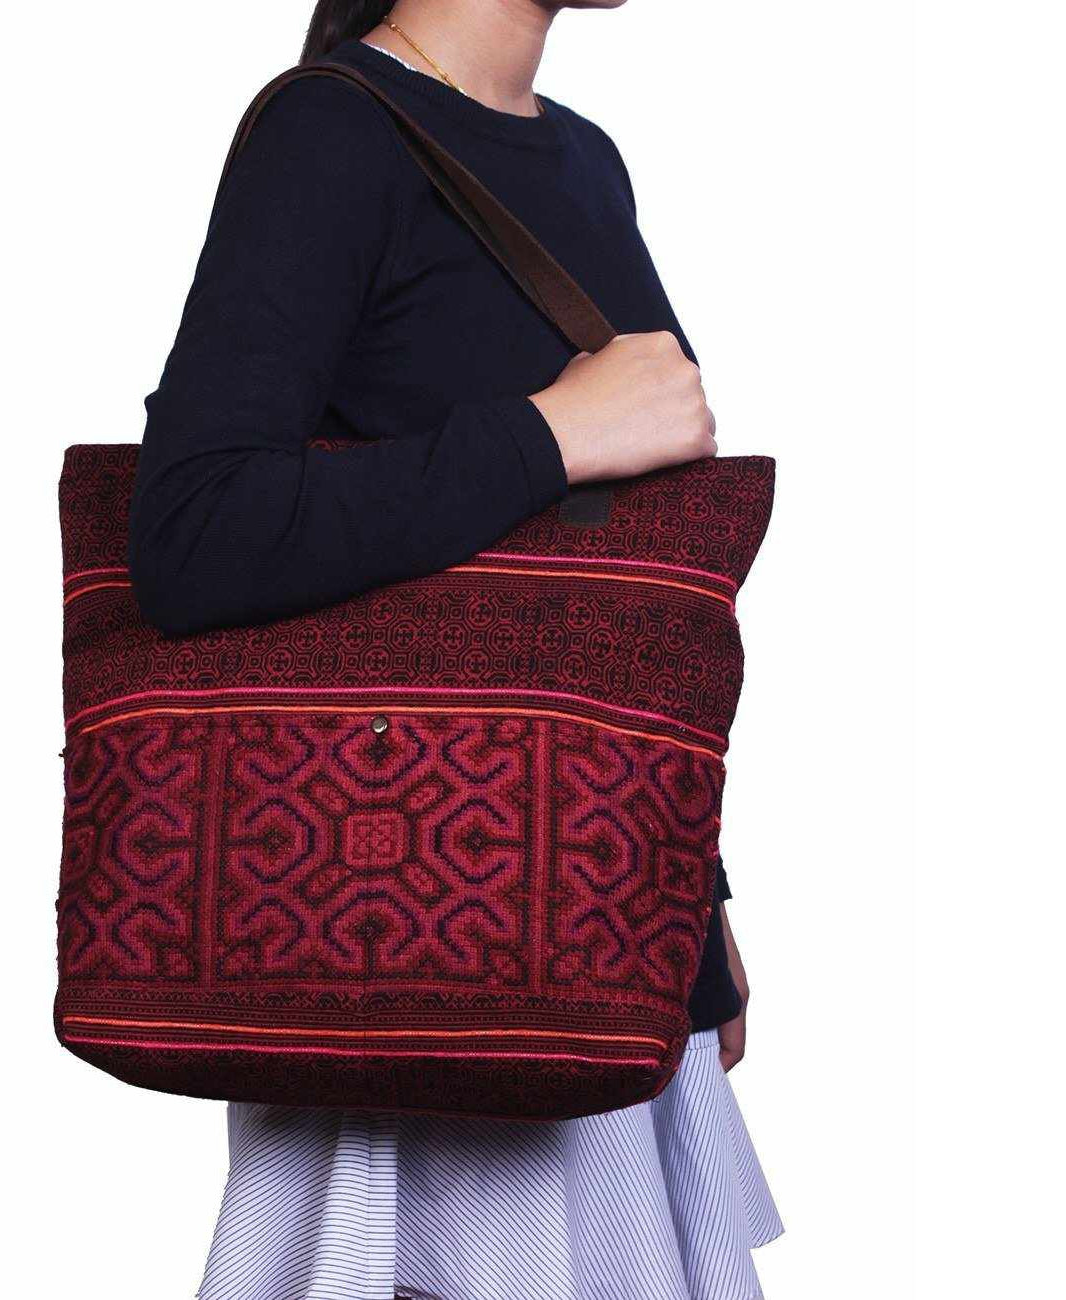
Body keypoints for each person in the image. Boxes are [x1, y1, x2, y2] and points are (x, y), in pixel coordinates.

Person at [129, 3, 782, 1296]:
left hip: (596, 916)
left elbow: (617, 600)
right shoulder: (329, 134)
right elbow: (195, 533)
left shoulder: (580, 158)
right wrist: (549, 434)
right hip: (405, 955)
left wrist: (694, 902)